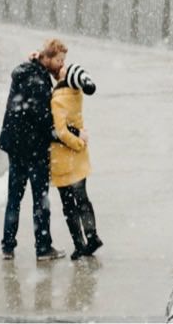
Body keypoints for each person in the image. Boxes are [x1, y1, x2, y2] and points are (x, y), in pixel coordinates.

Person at [0, 38, 68, 261]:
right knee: (40, 199)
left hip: (15, 145)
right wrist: (68, 136)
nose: (61, 64)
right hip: (33, 148)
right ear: (46, 58)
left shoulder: (25, 71)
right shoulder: (39, 81)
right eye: (58, 60)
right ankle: (43, 248)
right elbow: (43, 120)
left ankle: (8, 247)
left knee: (14, 198)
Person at [51, 62, 102, 259]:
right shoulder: (76, 95)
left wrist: (76, 142)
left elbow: (61, 132)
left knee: (68, 204)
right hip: (79, 159)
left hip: (62, 159)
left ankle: (79, 243)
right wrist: (80, 142)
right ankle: (92, 236)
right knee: (83, 199)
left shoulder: (56, 100)